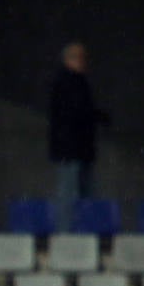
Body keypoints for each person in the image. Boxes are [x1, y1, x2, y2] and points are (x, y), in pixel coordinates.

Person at [48, 42, 106, 230]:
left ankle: (83, 234)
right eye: (77, 57)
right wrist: (94, 115)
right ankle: (66, 235)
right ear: (68, 59)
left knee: (84, 195)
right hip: (69, 148)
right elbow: (73, 112)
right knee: (69, 194)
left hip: (81, 148)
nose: (82, 62)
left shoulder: (78, 83)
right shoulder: (65, 82)